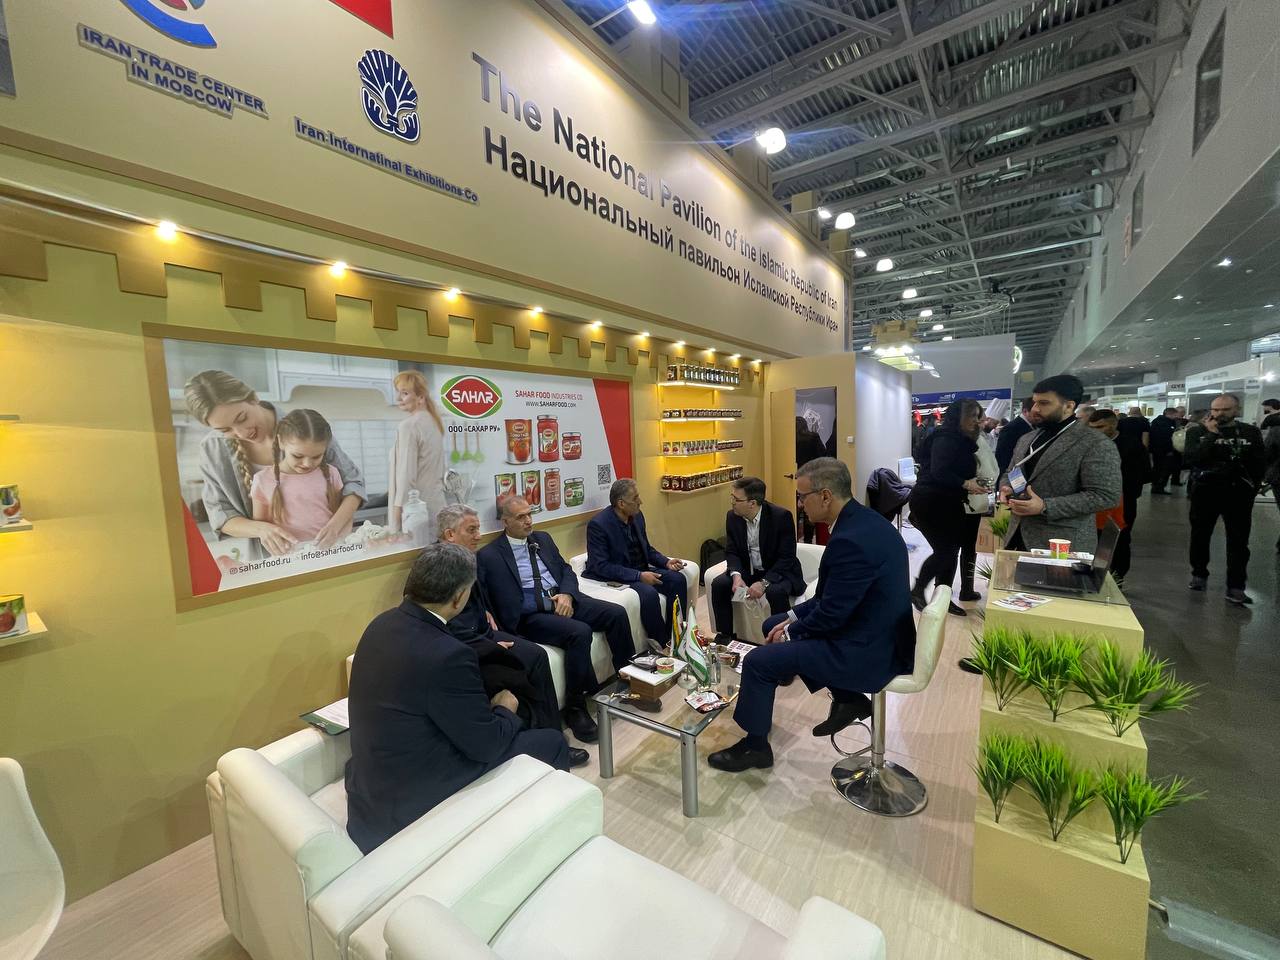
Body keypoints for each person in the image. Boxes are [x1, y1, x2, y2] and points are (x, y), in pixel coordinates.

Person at [345, 542, 571, 853]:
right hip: (413, 796)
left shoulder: (380, 624)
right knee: (552, 742)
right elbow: (487, 745)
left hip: (372, 784)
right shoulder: (448, 655)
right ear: (458, 597)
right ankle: (552, 843)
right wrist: (505, 709)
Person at [707, 458, 915, 773]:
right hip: (873, 629)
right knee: (773, 622)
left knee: (758, 662)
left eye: (803, 496)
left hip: (868, 649)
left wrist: (791, 632)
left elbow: (831, 615)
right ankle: (846, 697)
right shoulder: (864, 522)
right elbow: (828, 598)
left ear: (826, 496)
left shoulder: (851, 541)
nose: (800, 504)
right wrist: (790, 618)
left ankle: (755, 748)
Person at [436, 504, 586, 765]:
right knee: (521, 663)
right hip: (467, 645)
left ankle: (552, 737)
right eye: (471, 530)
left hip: (484, 633)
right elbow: (444, 626)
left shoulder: (465, 557)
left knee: (537, 656)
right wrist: (489, 646)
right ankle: (537, 742)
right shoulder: (439, 565)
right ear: (450, 534)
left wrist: (485, 611)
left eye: (478, 529)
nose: (479, 536)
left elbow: (476, 601)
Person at [479, 496, 636, 742]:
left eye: (530, 514)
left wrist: (567, 595)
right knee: (579, 632)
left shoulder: (542, 539)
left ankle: (630, 681)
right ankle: (576, 708)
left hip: (564, 598)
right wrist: (544, 603)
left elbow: (565, 570)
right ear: (505, 521)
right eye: (521, 517)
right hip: (532, 616)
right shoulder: (490, 555)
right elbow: (503, 601)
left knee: (615, 613)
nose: (528, 521)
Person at [184, 370, 364, 557]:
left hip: (330, 551)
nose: (242, 433)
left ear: (253, 398)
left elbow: (353, 483)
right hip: (270, 558)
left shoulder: (305, 426)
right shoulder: (212, 448)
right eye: (225, 430)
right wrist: (262, 529)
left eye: (242, 418)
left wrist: (336, 525)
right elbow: (221, 513)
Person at [997, 374, 1122, 554]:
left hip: (1062, 543)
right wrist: (1006, 487)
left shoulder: (1095, 443)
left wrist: (1045, 506)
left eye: (1044, 403)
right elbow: (1011, 471)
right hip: (1017, 535)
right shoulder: (1027, 439)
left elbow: (1106, 496)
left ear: (1069, 406)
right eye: (1035, 402)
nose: (1035, 409)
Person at [1184, 394, 1266, 605]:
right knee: (1200, 535)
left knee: (1239, 541)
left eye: (1225, 410)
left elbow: (1259, 461)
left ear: (1237, 410)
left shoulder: (1250, 432)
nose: (1219, 414)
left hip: (1238, 494)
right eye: (1216, 409)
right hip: (1205, 491)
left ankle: (1236, 586)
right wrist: (1211, 435)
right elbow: (1192, 459)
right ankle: (1199, 574)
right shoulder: (1197, 431)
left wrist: (1253, 486)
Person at [908, 399, 987, 617]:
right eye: (972, 416)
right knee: (946, 551)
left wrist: (969, 484)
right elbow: (939, 471)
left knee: (950, 551)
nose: (976, 421)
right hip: (932, 502)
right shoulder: (946, 438)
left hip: (947, 501)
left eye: (977, 416)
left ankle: (942, 597)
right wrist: (966, 484)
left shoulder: (958, 439)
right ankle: (918, 590)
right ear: (958, 416)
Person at [584, 479, 688, 644]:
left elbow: (647, 548)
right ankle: (661, 643)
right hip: (619, 575)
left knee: (678, 579)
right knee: (649, 594)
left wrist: (665, 562)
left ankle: (677, 636)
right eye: (635, 498)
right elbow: (601, 566)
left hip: (641, 569)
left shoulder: (637, 516)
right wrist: (638, 576)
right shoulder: (598, 525)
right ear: (621, 504)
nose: (640, 501)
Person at [710, 477, 805, 641]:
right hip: (749, 570)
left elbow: (787, 557)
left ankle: (780, 639)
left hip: (778, 571)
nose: (732, 503)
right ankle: (725, 637)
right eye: (732, 497)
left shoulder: (780, 517)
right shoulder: (732, 516)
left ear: (752, 503)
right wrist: (736, 575)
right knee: (719, 584)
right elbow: (731, 551)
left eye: (736, 499)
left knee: (775, 592)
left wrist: (764, 583)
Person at [249, 409, 353, 547]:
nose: (307, 464)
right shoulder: (262, 480)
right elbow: (262, 527)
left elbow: (344, 516)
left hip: (333, 549)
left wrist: (342, 541)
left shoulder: (331, 473)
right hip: (289, 554)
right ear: (281, 442)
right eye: (298, 456)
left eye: (316, 456)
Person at [1086, 409, 1145, 586]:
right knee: (1095, 539)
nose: (1096, 432)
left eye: (1100, 427)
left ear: (1113, 424)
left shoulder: (1131, 445)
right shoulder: (1088, 445)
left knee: (1119, 540)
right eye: (1092, 428)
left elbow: (1142, 474)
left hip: (1123, 501)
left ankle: (1118, 578)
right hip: (1094, 503)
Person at [388, 370, 447, 533]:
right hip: (438, 509)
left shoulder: (409, 426)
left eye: (404, 393)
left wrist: (395, 524)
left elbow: (406, 478)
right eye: (398, 392)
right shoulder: (434, 422)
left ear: (420, 397)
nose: (398, 398)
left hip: (416, 516)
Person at [994, 397, 1035, 474]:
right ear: (1025, 411)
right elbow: (1003, 458)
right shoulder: (1011, 428)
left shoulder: (1033, 426)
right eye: (1035, 413)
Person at [1149, 407, 1180, 494]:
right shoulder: (1165, 423)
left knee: (1158, 468)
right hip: (1163, 451)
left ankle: (1156, 486)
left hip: (1157, 450)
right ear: (1170, 414)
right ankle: (1159, 487)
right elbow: (1166, 438)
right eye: (1175, 414)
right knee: (1164, 469)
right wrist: (1169, 450)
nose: (1176, 416)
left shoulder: (1157, 421)